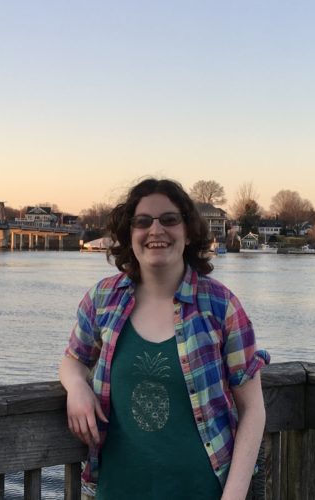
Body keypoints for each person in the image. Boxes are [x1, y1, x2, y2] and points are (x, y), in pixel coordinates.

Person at [60, 178, 269, 499]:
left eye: (169, 220)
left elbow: (253, 408)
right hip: (115, 490)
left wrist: (234, 494)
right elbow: (74, 359)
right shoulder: (103, 299)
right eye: (142, 222)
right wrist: (76, 387)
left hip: (204, 491)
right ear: (130, 235)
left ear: (188, 232)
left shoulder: (220, 306)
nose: (155, 230)